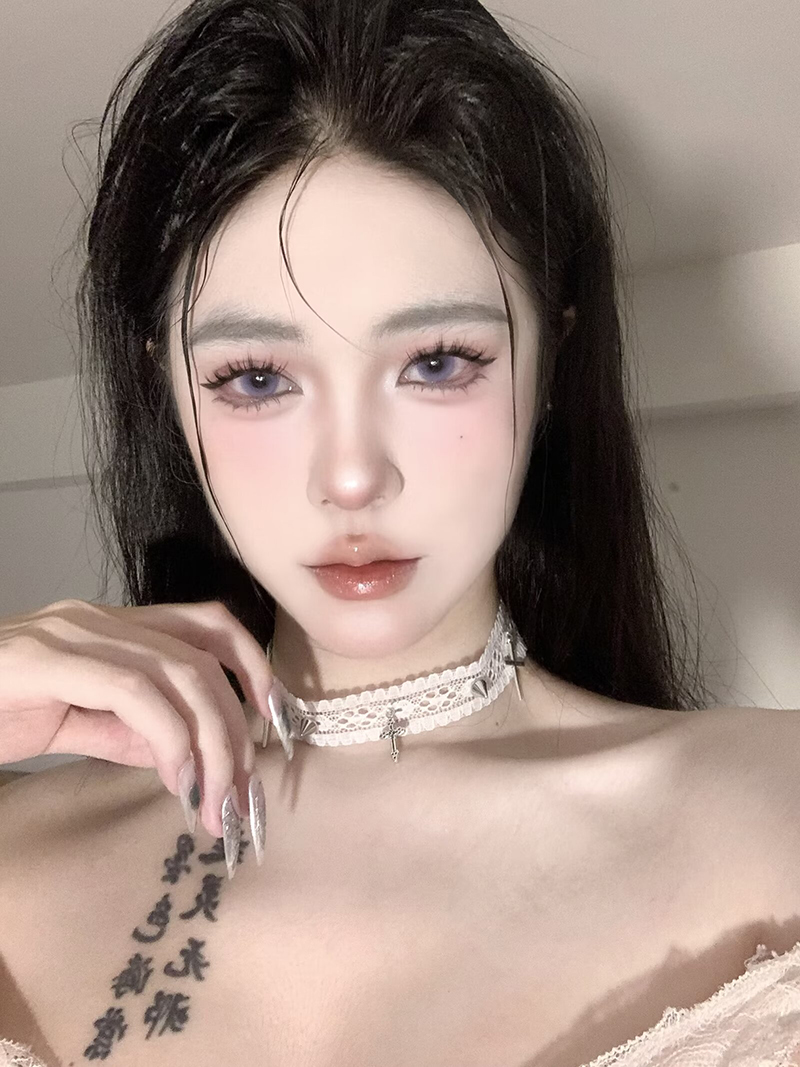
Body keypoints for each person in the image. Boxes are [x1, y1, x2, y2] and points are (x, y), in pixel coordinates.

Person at [1, 0, 799, 1064]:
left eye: (436, 361)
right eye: (255, 377)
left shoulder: (775, 808)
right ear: (171, 393)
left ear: (549, 364)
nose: (350, 476)